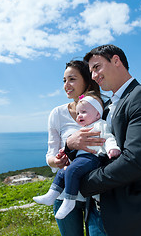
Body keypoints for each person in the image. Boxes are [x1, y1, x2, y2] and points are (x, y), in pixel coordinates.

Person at [65, 44, 141, 236]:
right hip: (97, 212)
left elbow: (135, 161)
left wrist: (82, 183)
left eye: (97, 67)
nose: (94, 76)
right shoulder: (104, 105)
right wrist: (70, 145)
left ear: (116, 60)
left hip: (129, 216)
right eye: (91, 71)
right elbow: (93, 140)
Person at [33, 92, 121, 220]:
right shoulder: (82, 128)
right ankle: (51, 195)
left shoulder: (100, 124)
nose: (79, 115)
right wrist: (64, 150)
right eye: (78, 113)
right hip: (81, 158)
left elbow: (108, 137)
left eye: (84, 112)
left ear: (97, 114)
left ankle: (69, 201)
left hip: (93, 158)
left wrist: (112, 148)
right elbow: (75, 145)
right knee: (62, 172)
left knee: (71, 170)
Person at [42, 60, 101, 236]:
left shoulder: (102, 110)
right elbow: (50, 157)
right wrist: (58, 160)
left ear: (88, 81)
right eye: (64, 80)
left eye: (72, 79)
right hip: (64, 196)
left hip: (97, 195)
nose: (66, 85)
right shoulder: (57, 114)